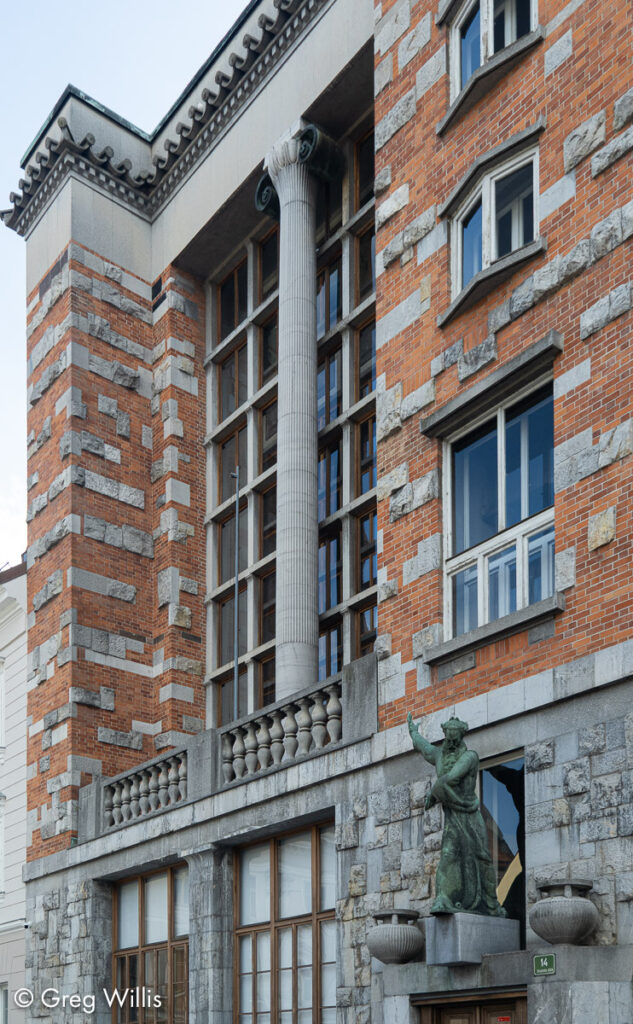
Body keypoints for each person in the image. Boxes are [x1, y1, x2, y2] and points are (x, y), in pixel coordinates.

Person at [407, 712, 506, 917]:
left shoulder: (470, 757)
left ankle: (492, 904)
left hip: (470, 814)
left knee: (483, 858)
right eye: (447, 735)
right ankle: (444, 897)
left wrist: (433, 795)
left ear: (460, 736)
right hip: (453, 817)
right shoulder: (439, 755)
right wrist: (413, 732)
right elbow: (424, 748)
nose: (449, 740)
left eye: (454, 736)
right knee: (448, 855)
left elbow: (450, 779)